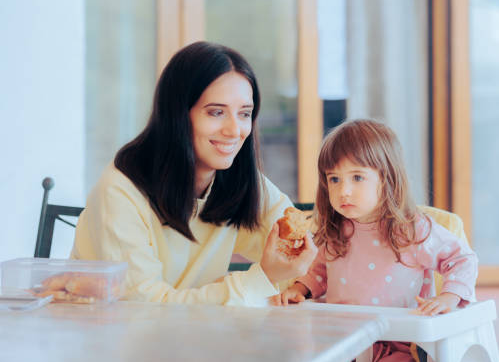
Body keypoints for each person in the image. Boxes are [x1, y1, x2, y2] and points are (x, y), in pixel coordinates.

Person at [71, 41, 317, 306]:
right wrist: (261, 279)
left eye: (244, 113)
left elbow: (304, 256)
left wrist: (291, 277)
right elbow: (143, 309)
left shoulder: (238, 180)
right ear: (177, 114)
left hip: (197, 339)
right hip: (110, 340)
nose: (235, 130)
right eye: (216, 112)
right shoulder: (120, 192)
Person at [277, 119, 478, 362]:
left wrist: (450, 296)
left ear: (387, 178)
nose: (343, 190)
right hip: (342, 342)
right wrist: (301, 289)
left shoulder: (412, 230)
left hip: (400, 345)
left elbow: (462, 259)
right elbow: (320, 271)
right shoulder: (334, 229)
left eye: (357, 177)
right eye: (334, 179)